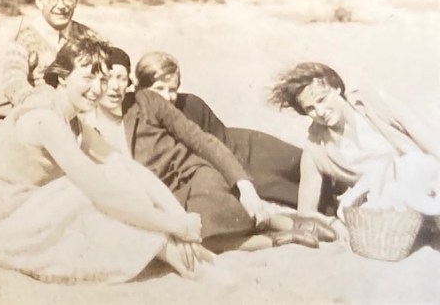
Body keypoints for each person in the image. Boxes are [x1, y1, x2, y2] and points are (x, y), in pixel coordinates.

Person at [0, 37, 215, 283]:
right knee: (81, 193)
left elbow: (126, 167)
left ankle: (176, 250)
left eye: (103, 79)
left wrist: (178, 216)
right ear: (62, 78)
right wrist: (174, 226)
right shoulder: (45, 118)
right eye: (89, 77)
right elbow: (101, 193)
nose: (98, 88)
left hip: (18, 206)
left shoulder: (73, 120)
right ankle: (177, 254)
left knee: (114, 178)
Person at [103, 49, 330, 252]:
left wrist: (243, 183)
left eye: (120, 78)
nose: (114, 85)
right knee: (203, 237)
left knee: (219, 217)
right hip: (163, 193)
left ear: (130, 82)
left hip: (196, 175)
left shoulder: (150, 102)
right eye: (107, 78)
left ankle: (296, 223)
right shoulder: (91, 119)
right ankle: (284, 238)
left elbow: (203, 140)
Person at [269, 62, 440, 231]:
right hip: (391, 212)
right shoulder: (316, 148)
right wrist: (333, 224)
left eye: (322, 99)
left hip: (427, 183)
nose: (320, 112)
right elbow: (305, 211)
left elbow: (429, 140)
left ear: (336, 88)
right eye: (310, 109)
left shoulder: (373, 103)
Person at [134, 51, 305, 209]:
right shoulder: (140, 121)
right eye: (158, 89)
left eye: (172, 89)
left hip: (238, 144)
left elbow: (217, 139)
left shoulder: (190, 103)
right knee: (280, 188)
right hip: (222, 166)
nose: (166, 96)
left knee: (301, 161)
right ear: (140, 89)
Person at [0, 0, 102, 112]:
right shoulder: (22, 38)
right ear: (39, 1)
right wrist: (37, 104)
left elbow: (113, 73)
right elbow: (13, 80)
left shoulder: (89, 36)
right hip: (39, 115)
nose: (61, 6)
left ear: (76, 0)